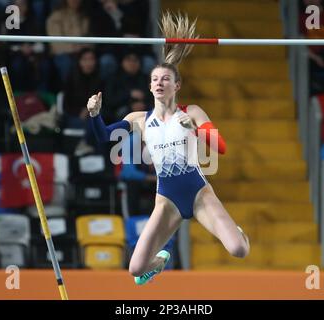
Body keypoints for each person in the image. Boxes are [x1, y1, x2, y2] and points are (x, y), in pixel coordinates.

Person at [87, 12, 250, 285]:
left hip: (199, 193)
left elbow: (220, 148)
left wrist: (197, 129)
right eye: (155, 80)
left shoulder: (193, 112)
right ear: (150, 87)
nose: (160, 83)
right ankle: (159, 262)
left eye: (166, 79)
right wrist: (94, 115)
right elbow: (104, 137)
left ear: (177, 85)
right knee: (136, 269)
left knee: (239, 250)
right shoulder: (138, 119)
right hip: (167, 201)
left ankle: (238, 232)